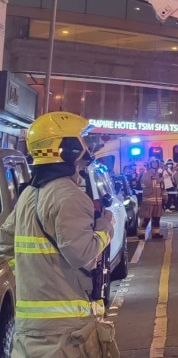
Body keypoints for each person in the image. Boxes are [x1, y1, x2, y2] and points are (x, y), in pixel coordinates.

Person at [0, 111, 116, 357]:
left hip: (30, 329)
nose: (88, 146)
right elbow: (82, 255)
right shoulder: (70, 196)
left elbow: (5, 244)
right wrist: (106, 226)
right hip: (66, 331)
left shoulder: (28, 196)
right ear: (68, 148)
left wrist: (37, 276)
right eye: (83, 139)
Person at [139, 158, 166, 240]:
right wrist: (159, 176)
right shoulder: (146, 174)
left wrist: (165, 196)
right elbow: (151, 183)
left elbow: (162, 187)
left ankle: (155, 234)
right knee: (146, 218)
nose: (156, 165)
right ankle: (141, 234)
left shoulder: (158, 174)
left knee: (156, 218)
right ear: (150, 164)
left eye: (156, 163)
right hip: (148, 201)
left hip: (158, 201)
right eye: (154, 163)